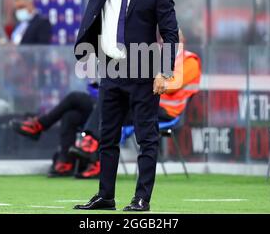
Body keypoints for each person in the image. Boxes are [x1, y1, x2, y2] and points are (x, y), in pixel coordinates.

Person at [1, 0, 179, 212]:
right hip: (110, 69)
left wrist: (164, 72)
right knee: (106, 137)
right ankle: (105, 197)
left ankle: (141, 200)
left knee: (147, 139)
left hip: (143, 72)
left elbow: (170, 33)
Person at [69, 29, 202, 178]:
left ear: (181, 42)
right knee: (111, 106)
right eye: (163, 39)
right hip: (150, 102)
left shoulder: (190, 61)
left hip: (168, 112)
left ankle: (92, 148)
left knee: (113, 107)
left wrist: (144, 81)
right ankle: (93, 153)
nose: (165, 43)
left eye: (170, 40)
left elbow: (171, 86)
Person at [13, 82, 99, 178]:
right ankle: (65, 161)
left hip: (110, 110)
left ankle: (39, 125)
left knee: (74, 97)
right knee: (70, 116)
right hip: (98, 109)